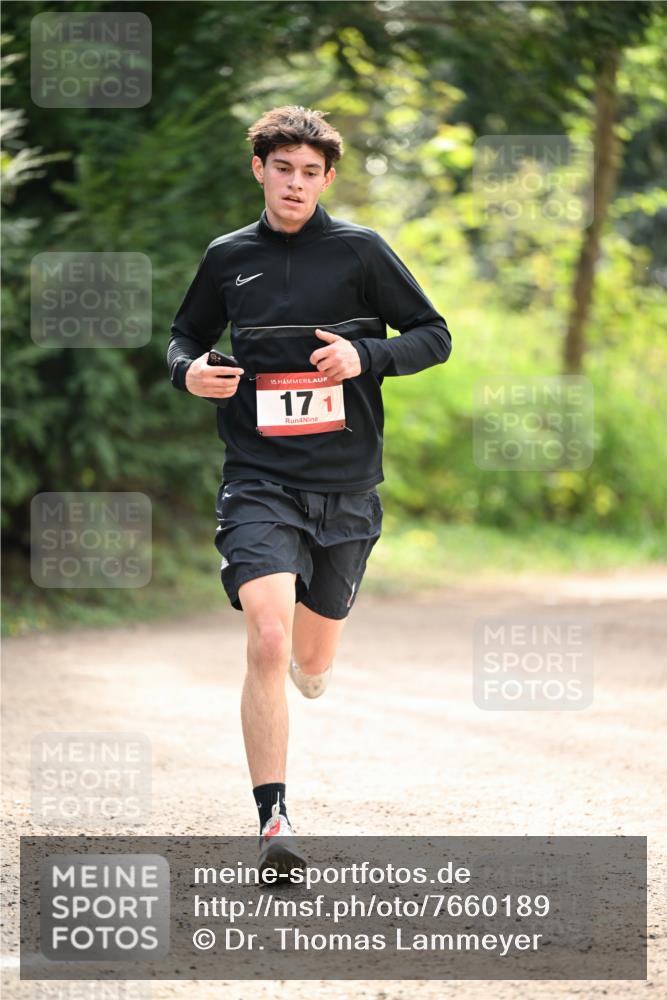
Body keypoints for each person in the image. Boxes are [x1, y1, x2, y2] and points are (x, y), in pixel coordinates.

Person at [167, 105, 451, 875]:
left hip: (346, 488)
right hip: (258, 477)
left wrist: (365, 357)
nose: (295, 184)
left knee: (311, 662)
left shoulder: (360, 251)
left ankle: (315, 655)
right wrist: (187, 371)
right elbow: (186, 336)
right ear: (258, 169)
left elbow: (433, 335)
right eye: (283, 169)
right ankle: (274, 821)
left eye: (310, 172)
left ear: (327, 179)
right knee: (267, 637)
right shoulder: (228, 257)